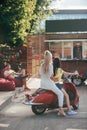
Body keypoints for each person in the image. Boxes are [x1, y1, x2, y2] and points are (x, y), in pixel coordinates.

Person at [29, 50, 66, 116]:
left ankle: (31, 97)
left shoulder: (41, 65)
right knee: (60, 94)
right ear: (50, 58)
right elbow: (51, 77)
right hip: (50, 85)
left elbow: (39, 75)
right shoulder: (50, 66)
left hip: (42, 84)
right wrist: (56, 79)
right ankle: (61, 109)